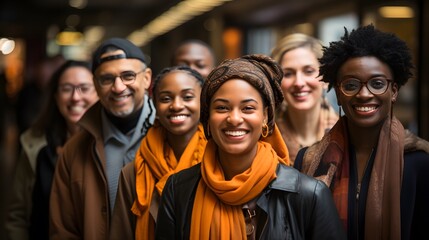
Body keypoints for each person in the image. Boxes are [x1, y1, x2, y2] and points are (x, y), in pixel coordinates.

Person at [155, 54, 346, 239]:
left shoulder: (309, 195)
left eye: (248, 108)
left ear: (265, 117)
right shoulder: (178, 189)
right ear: (208, 119)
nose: (235, 119)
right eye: (222, 108)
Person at [294, 25, 429, 240]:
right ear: (338, 93)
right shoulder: (306, 160)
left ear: (394, 91)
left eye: (377, 84)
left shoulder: (419, 162)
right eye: (351, 85)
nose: (364, 94)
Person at [49, 38, 156, 239]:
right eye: (106, 79)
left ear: (147, 78)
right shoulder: (74, 150)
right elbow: (63, 230)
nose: (118, 87)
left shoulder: (174, 136)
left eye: (128, 76)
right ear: (96, 86)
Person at [110, 65, 206, 239]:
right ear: (154, 104)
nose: (176, 105)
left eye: (188, 97)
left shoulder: (218, 164)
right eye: (166, 98)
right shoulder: (133, 172)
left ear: (204, 101)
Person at [5, 60, 99, 240]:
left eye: (84, 88)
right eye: (66, 88)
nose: (75, 97)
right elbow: (18, 215)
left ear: (99, 94)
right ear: (55, 97)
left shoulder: (111, 146)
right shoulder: (36, 144)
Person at [271, 33, 338, 163]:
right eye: (288, 73)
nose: (299, 83)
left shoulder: (348, 137)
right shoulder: (265, 139)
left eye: (308, 71)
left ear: (326, 78)